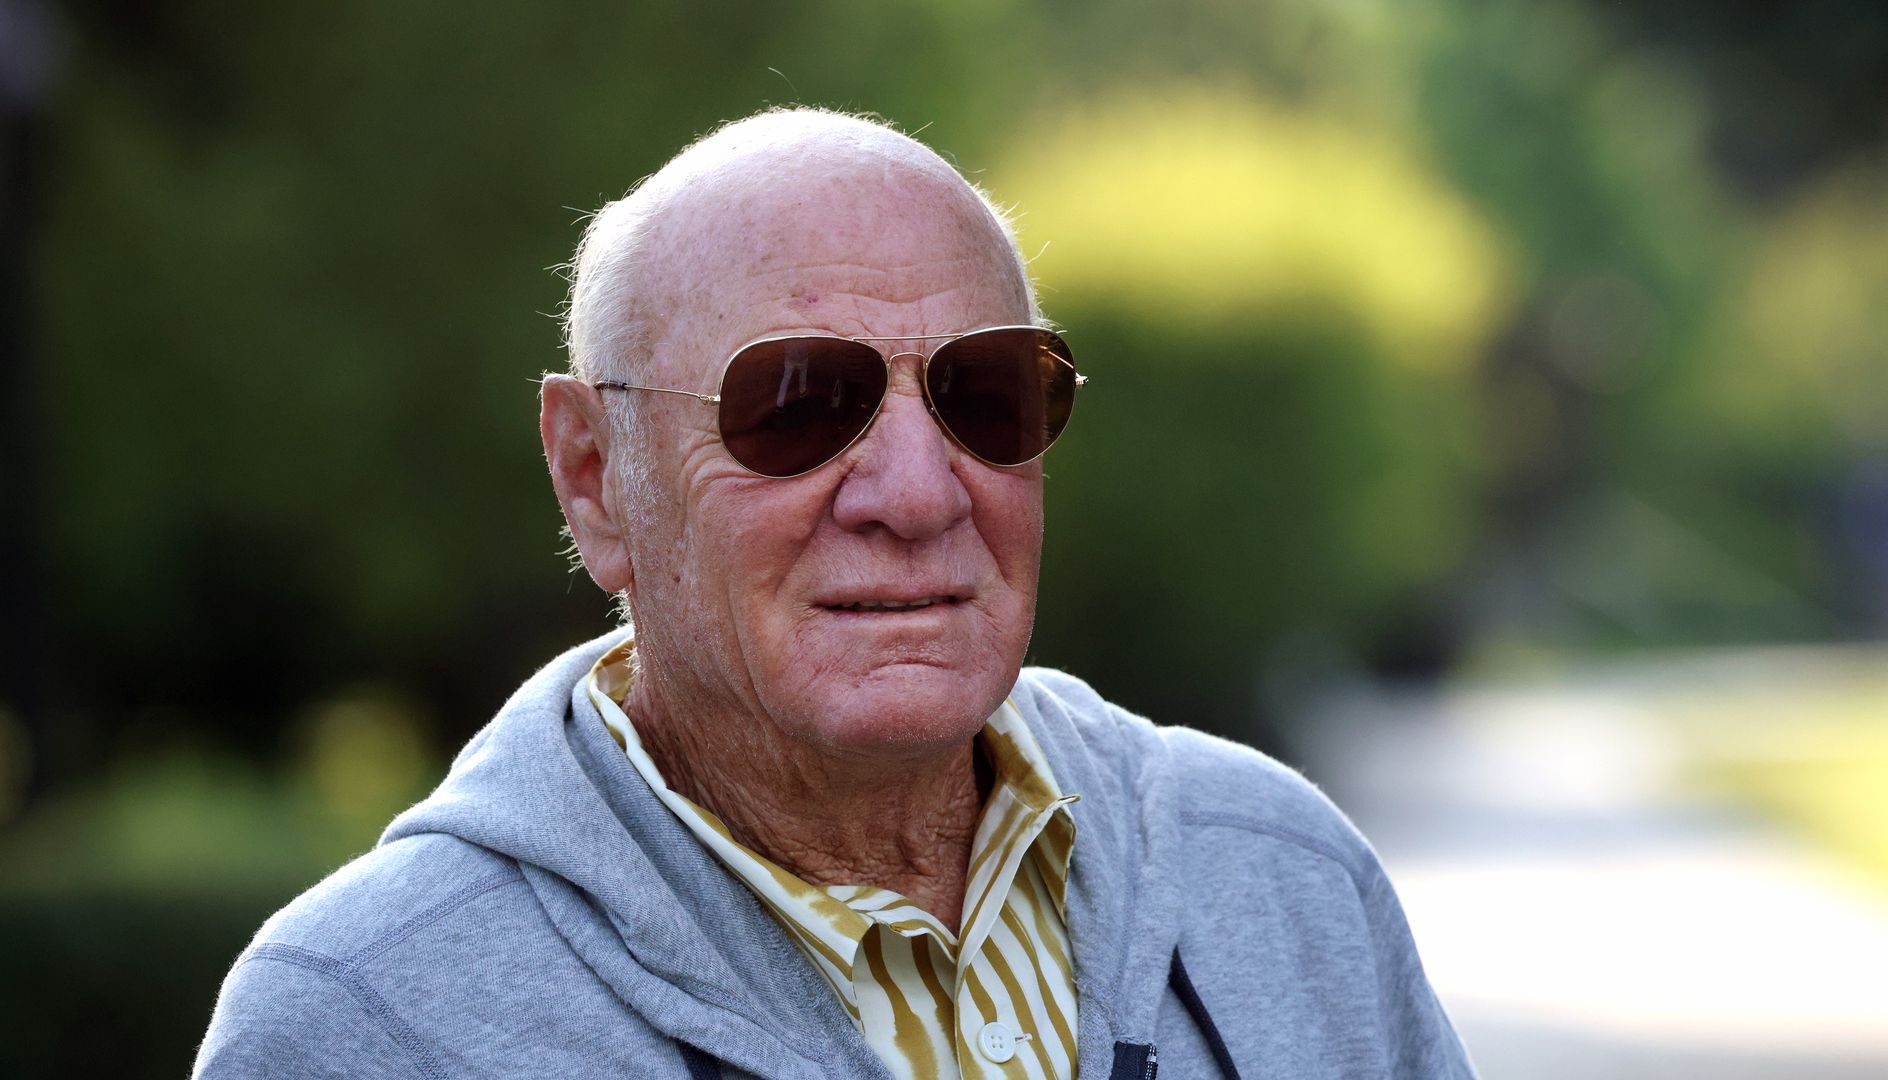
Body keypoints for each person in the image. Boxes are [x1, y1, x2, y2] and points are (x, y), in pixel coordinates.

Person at [193, 108, 1475, 1080]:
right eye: (797, 404)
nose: (919, 493)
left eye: (986, 395)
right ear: (595, 479)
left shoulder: (1279, 876)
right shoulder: (366, 1018)